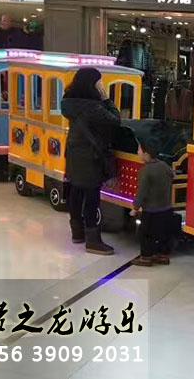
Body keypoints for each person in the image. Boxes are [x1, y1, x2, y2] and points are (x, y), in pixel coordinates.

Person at [61, 68, 121, 255]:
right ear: (91, 83)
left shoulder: (68, 103)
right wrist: (106, 99)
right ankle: (93, 241)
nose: (101, 84)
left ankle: (77, 233)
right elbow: (115, 120)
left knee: (76, 191)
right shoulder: (93, 107)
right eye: (99, 81)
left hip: (74, 153)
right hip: (90, 155)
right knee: (91, 197)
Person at [129, 140, 175, 266]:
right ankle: (162, 255)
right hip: (166, 208)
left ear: (146, 154)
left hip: (151, 210)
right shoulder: (164, 165)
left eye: (139, 150)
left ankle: (146, 257)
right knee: (163, 233)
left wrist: (135, 208)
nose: (137, 152)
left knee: (146, 234)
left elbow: (142, 192)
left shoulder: (145, 171)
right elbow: (172, 175)